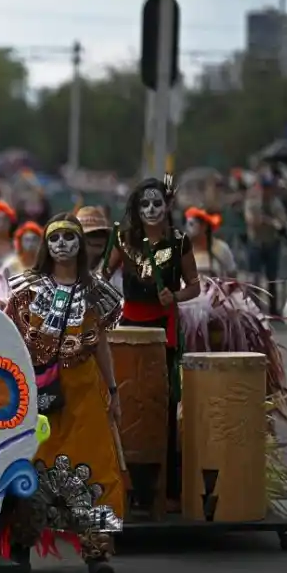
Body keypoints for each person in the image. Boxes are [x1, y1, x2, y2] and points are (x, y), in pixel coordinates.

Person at [1, 213, 123, 573]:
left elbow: (101, 342)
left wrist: (114, 390)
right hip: (37, 395)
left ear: (81, 245)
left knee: (96, 471)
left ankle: (96, 557)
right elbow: (8, 335)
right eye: (56, 239)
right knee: (29, 471)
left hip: (84, 395)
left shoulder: (96, 290)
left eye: (71, 238)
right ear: (46, 246)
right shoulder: (27, 288)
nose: (63, 245)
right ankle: (17, 557)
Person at [104, 176, 200, 509]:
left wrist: (174, 295)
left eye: (157, 203)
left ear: (167, 205)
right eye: (144, 204)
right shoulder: (125, 239)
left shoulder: (179, 242)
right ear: (136, 207)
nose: (151, 209)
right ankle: (122, 485)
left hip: (164, 328)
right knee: (125, 401)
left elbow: (195, 287)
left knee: (164, 402)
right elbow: (102, 276)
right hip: (128, 328)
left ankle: (167, 490)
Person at [244, 177, 287, 315]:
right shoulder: (252, 203)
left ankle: (274, 309)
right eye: (264, 188)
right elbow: (253, 222)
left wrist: (269, 221)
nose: (266, 192)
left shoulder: (276, 204)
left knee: (272, 278)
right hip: (256, 243)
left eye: (268, 188)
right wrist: (270, 221)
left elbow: (282, 223)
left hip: (271, 244)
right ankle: (254, 308)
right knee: (254, 277)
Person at [76, 206, 122, 293]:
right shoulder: (66, 270)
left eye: (102, 234)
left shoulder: (115, 273)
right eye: (92, 234)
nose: (99, 239)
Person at [184, 207, 238, 278]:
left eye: (191, 224)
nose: (187, 228)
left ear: (204, 226)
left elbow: (232, 276)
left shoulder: (221, 249)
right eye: (186, 224)